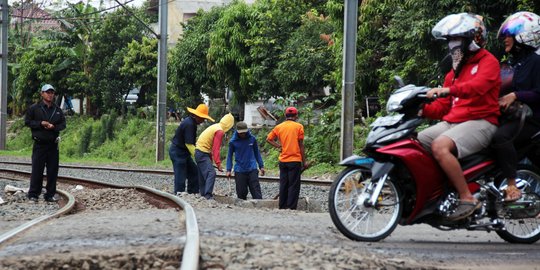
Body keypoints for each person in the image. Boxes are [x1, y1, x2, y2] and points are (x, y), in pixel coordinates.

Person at [418, 13, 501, 220]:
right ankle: (438, 194)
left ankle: (467, 197)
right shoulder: (453, 73)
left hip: (481, 122)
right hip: (454, 121)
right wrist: (420, 109)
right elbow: (442, 109)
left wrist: (448, 90)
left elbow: (477, 87)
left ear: (473, 39)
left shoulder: (488, 62)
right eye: (450, 40)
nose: (452, 45)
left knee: (439, 145)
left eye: (457, 39)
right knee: (418, 143)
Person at [492, 11, 540, 202]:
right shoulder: (516, 63)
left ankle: (512, 185)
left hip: (533, 119)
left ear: (525, 36)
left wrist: (515, 95)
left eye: (509, 35)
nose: (505, 39)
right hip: (517, 116)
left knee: (501, 137)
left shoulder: (536, 62)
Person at [24, 84, 66, 202]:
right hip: (39, 144)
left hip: (53, 145)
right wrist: (40, 123)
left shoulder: (57, 109)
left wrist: (54, 127)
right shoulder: (34, 108)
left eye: (52, 92)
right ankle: (33, 194)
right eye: (47, 92)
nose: (50, 95)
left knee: (53, 170)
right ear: (42, 94)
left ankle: (50, 194)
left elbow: (63, 124)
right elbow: (27, 122)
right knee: (37, 169)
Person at [266, 107, 306, 210]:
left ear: (285, 115)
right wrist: (304, 161)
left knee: (283, 183)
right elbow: (301, 145)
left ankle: (282, 206)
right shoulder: (299, 127)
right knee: (293, 185)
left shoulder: (279, 127)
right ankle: (291, 207)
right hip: (295, 160)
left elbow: (269, 139)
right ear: (296, 116)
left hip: (283, 160)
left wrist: (278, 146)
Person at [169, 104, 214, 195]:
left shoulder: (192, 123)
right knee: (180, 175)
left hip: (184, 152)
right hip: (178, 152)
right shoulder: (189, 124)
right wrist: (199, 156)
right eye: (202, 118)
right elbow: (189, 144)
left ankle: (192, 193)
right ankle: (179, 195)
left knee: (194, 172)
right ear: (197, 116)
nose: (203, 121)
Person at [195, 113, 235, 199]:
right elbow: (215, 149)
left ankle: (203, 194)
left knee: (202, 175)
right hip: (202, 152)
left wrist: (211, 160)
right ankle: (208, 195)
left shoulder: (216, 126)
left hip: (199, 151)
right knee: (211, 173)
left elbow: (209, 145)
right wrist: (218, 164)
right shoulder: (219, 131)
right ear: (229, 125)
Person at [226, 121, 265, 200]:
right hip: (240, 170)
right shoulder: (233, 142)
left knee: (256, 191)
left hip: (252, 168)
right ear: (237, 132)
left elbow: (257, 153)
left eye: (244, 132)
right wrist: (228, 169)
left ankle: (259, 208)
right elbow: (229, 156)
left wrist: (261, 166)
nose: (243, 134)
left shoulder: (252, 139)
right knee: (241, 194)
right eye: (241, 133)